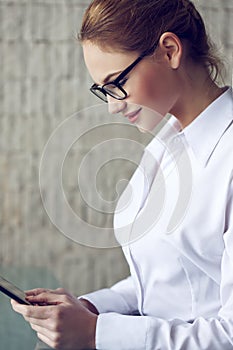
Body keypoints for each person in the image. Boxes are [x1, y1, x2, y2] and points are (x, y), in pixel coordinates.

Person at [11, 0, 233, 349]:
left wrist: (95, 333)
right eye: (103, 90)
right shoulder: (165, 141)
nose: (113, 105)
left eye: (117, 83)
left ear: (170, 50)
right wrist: (89, 309)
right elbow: (162, 281)